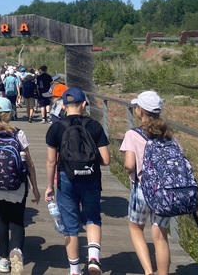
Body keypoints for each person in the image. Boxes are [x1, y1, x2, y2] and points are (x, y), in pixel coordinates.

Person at [45, 87, 111, 275]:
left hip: (66, 178)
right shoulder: (95, 126)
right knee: (92, 217)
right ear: (83, 104)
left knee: (70, 226)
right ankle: (93, 258)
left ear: (63, 106)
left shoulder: (56, 128)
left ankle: (74, 270)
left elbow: (51, 161)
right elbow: (106, 160)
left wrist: (49, 186)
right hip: (91, 178)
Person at [0, 97, 41, 274]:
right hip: (17, 184)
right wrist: (35, 188)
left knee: (2, 219)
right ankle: (17, 251)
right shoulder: (18, 133)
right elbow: (30, 164)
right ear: (9, 114)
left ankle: (4, 259)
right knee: (18, 220)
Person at [120, 91, 172, 275]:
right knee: (160, 235)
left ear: (140, 111)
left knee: (135, 228)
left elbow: (129, 165)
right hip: (165, 191)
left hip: (143, 189)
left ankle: (149, 271)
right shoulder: (167, 134)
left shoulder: (132, 134)